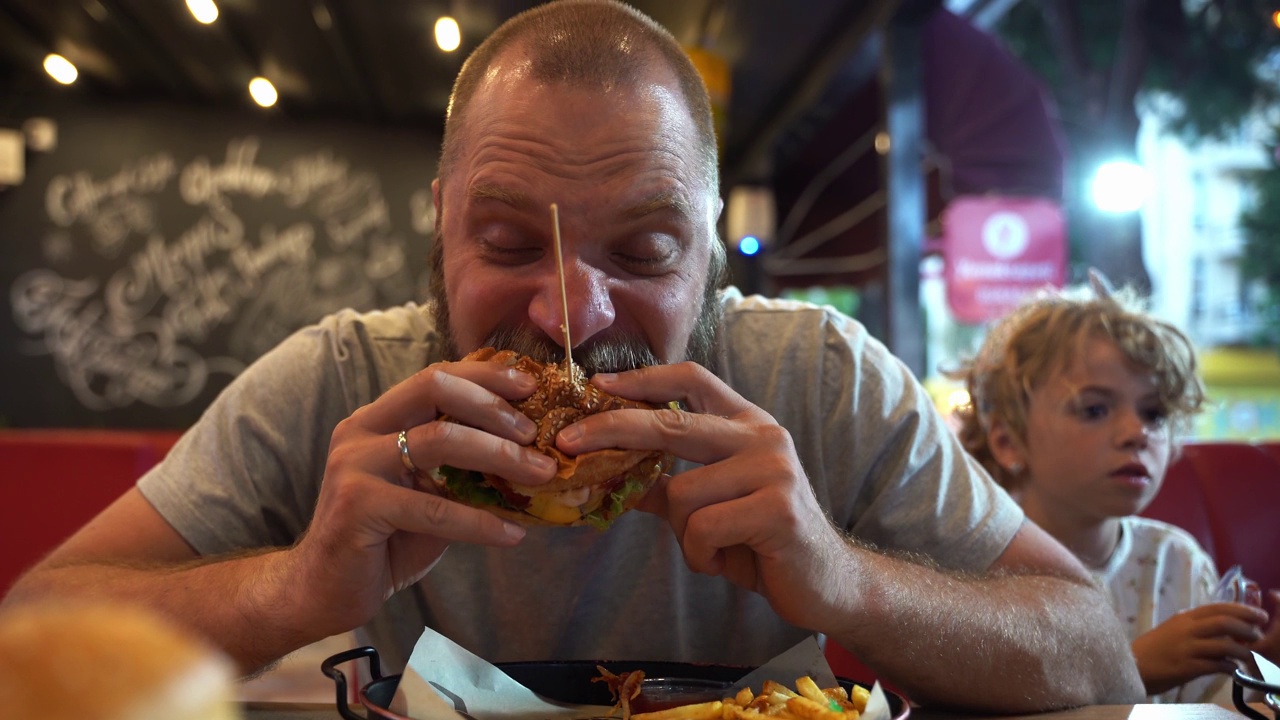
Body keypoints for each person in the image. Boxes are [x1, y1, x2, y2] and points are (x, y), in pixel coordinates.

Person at [0, 0, 1144, 711]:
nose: (566, 311)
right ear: (438, 229)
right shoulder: (342, 384)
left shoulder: (816, 380)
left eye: (644, 249)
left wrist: (844, 581)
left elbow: (1095, 655)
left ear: (707, 252)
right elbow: (28, 638)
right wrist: (297, 586)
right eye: (506, 242)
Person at [951, 279, 1280, 703]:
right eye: (1094, 409)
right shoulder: (972, 567)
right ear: (1008, 442)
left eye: (1154, 413)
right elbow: (968, 706)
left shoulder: (1175, 561)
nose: (1136, 433)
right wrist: (1133, 669)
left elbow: (1212, 708)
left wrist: (1261, 676)